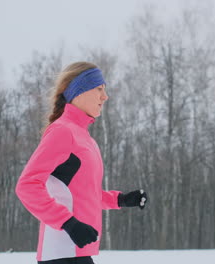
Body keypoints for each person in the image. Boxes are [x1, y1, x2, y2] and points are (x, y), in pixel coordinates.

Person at [16, 62, 148, 264]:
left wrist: (120, 200)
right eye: (99, 89)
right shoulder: (62, 131)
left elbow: (83, 194)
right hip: (61, 252)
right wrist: (68, 223)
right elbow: (27, 186)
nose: (105, 97)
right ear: (79, 91)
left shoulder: (85, 138)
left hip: (78, 252)